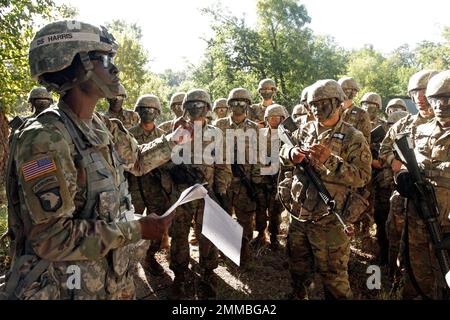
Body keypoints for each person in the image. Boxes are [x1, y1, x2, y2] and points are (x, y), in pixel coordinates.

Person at [1, 20, 191, 300]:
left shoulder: (102, 125)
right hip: (69, 288)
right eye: (104, 59)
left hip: (110, 280)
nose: (114, 69)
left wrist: (174, 140)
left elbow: (136, 160)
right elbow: (52, 238)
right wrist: (137, 228)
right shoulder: (46, 139)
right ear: (76, 66)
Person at [280, 79, 371, 299]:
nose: (317, 109)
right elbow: (284, 151)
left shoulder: (353, 136)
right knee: (298, 270)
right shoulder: (304, 130)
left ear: (338, 103)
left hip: (330, 220)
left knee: (334, 279)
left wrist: (331, 161)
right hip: (300, 215)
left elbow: (362, 177)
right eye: (313, 104)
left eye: (323, 103)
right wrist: (290, 155)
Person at [167, 89, 231, 299]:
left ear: (208, 109)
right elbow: (163, 158)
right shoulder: (175, 130)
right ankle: (180, 273)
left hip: (207, 192)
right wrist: (173, 173)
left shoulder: (216, 134)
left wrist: (220, 191)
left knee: (207, 234)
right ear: (185, 108)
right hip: (181, 193)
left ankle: (208, 271)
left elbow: (223, 164)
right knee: (179, 234)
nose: (196, 109)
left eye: (200, 105)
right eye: (191, 105)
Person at [380, 69, 438, 294]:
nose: (420, 98)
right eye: (415, 93)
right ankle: (398, 282)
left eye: (424, 92)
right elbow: (384, 149)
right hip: (404, 200)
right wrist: (395, 163)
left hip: (439, 205)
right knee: (401, 246)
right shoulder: (403, 124)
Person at [394, 70, 450, 299]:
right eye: (436, 99)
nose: (441, 105)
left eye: (447, 98)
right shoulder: (421, 130)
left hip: (446, 224)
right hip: (419, 217)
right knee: (417, 277)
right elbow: (407, 161)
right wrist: (404, 177)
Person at [215, 88, 261, 269]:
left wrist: (256, 181)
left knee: (245, 221)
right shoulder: (219, 125)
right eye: (234, 102)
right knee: (223, 218)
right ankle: (225, 253)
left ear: (248, 105)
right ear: (229, 105)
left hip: (245, 183)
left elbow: (257, 156)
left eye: (242, 102)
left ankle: (244, 252)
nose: (238, 106)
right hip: (223, 182)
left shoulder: (254, 128)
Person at [127, 94, 172, 276]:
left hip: (156, 188)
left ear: (158, 113)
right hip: (133, 188)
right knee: (131, 224)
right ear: (138, 112)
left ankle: (150, 257)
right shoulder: (128, 134)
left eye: (152, 110)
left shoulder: (163, 137)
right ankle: (129, 261)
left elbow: (169, 164)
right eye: (144, 109)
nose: (148, 113)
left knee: (157, 226)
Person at [253, 104, 285, 250]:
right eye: (271, 118)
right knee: (260, 208)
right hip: (261, 179)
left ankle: (274, 236)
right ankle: (260, 234)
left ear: (282, 119)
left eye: (277, 118)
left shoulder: (286, 136)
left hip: (277, 179)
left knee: (275, 211)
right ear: (266, 119)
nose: (274, 120)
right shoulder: (259, 135)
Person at [338, 77, 372, 142]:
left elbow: (365, 141)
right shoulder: (333, 112)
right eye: (342, 90)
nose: (344, 92)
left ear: (354, 92)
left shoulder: (362, 114)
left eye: (347, 90)